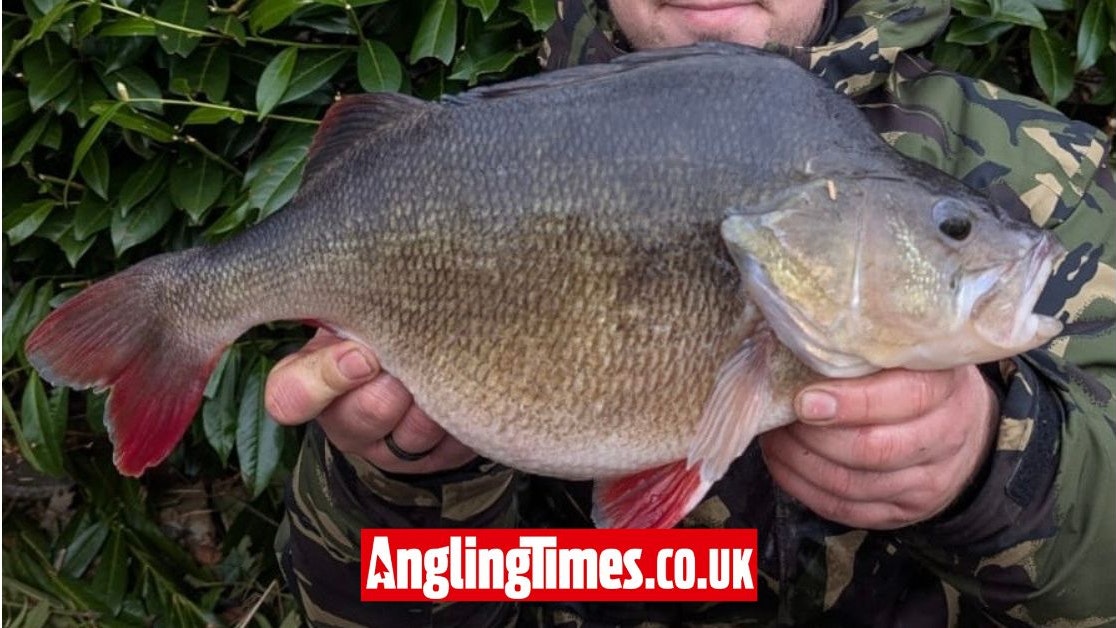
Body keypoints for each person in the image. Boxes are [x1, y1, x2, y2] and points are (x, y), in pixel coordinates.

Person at [267, 0, 1116, 624]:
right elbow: (365, 606)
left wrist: (993, 467)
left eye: (952, 229)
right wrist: (403, 480)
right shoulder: (477, 157)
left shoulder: (1059, 183)